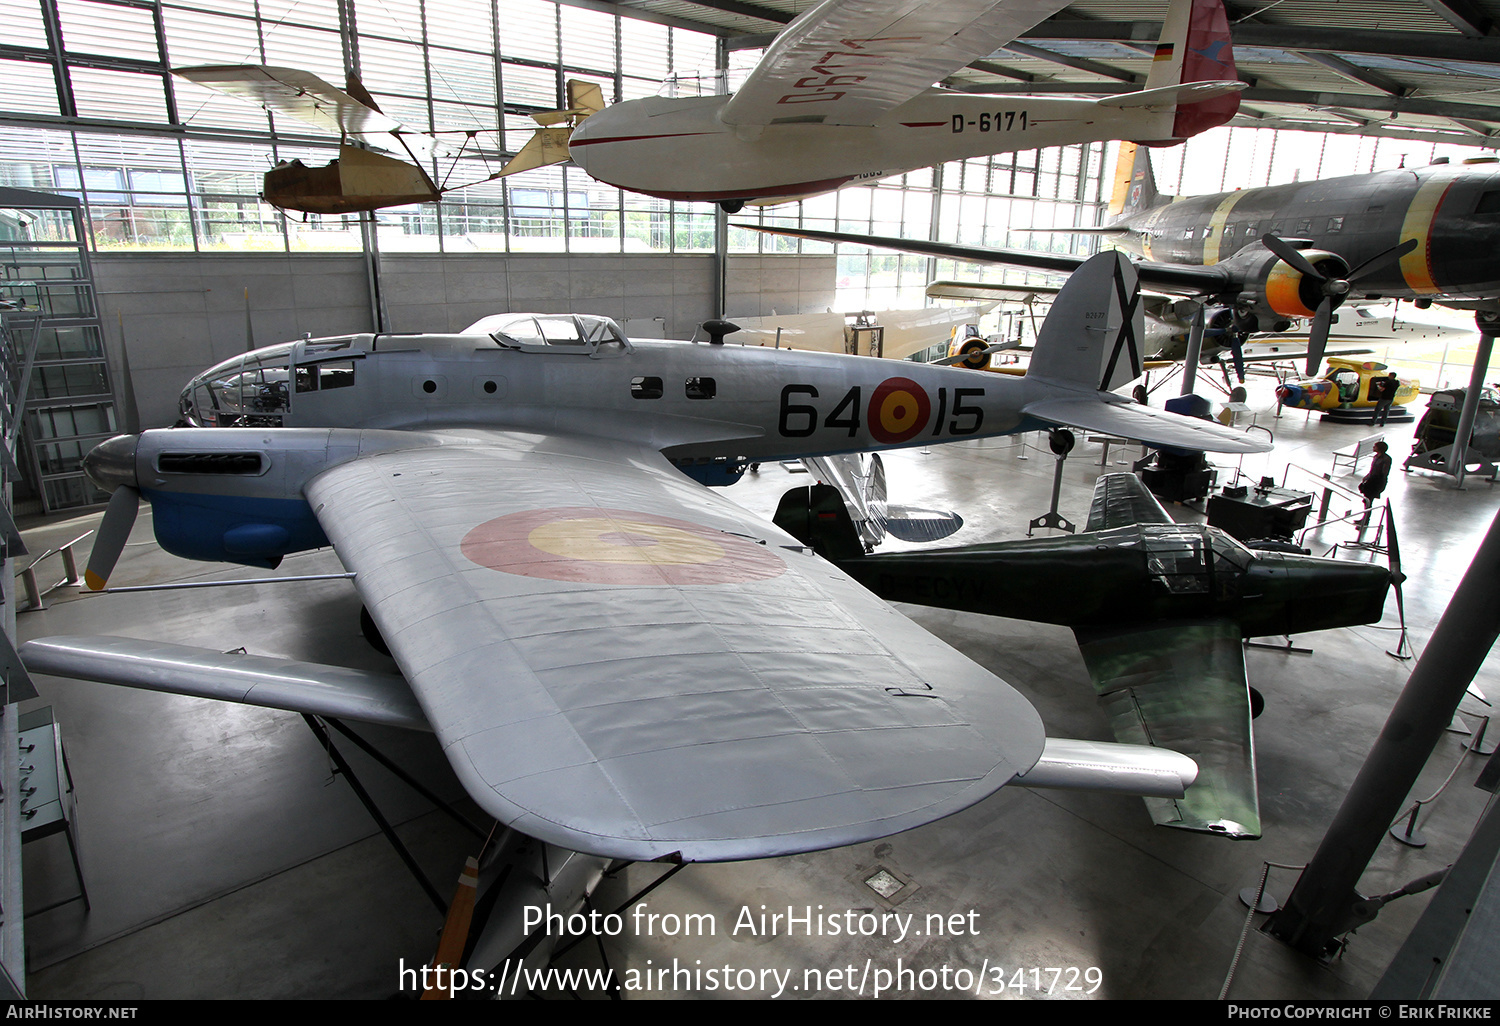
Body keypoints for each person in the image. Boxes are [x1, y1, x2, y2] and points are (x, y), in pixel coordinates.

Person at [1358, 440, 1392, 528]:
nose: (1373, 448)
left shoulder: (1386, 459)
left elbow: (1383, 473)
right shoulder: (1376, 457)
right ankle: (1365, 518)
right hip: (1371, 480)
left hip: (1377, 482)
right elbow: (1372, 469)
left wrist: (1375, 481)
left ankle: (1366, 520)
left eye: (1375, 446)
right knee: (1367, 500)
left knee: (1369, 500)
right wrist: (1367, 477)